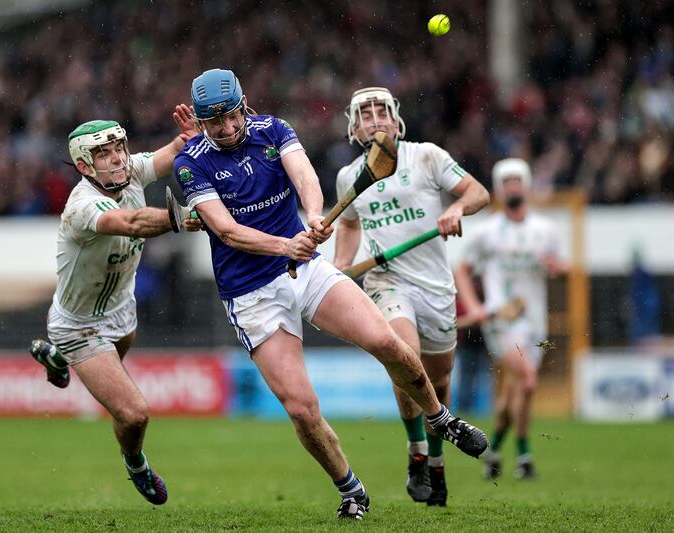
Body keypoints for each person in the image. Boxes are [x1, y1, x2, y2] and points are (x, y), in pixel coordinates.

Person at [173, 69, 488, 521]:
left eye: (230, 116)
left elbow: (304, 176)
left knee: (386, 343)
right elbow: (225, 229)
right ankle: (351, 489)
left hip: (306, 269)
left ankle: (440, 420)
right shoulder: (193, 162)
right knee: (302, 409)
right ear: (202, 123)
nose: (224, 128)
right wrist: (285, 244)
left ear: (244, 105)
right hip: (252, 293)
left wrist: (314, 217)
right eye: (213, 122)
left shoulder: (273, 130)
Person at [28, 112, 202, 506]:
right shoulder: (82, 206)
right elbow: (133, 222)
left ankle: (57, 361)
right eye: (104, 154)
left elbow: (171, 153)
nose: (118, 158)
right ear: (84, 166)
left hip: (123, 308)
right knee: (134, 413)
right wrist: (181, 217)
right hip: (80, 326)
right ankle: (135, 463)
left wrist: (190, 139)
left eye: (119, 148)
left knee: (121, 399)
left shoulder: (131, 171)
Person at [332, 87, 491, 507]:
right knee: (404, 355)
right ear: (354, 126)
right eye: (364, 114)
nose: (374, 119)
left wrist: (457, 210)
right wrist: (339, 269)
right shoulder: (350, 176)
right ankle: (416, 451)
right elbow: (348, 225)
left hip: (436, 286)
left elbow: (478, 193)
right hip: (386, 280)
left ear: (395, 118)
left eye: (380, 110)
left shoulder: (427, 156)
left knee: (438, 381)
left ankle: (435, 463)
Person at [455, 157, 566, 480]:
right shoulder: (487, 232)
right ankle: (524, 455)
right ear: (499, 189)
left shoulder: (545, 229)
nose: (513, 187)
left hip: (534, 320)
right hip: (501, 319)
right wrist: (474, 305)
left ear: (527, 185)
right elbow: (462, 269)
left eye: (518, 181)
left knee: (512, 394)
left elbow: (561, 267)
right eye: (507, 182)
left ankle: (494, 453)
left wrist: (557, 269)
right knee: (528, 379)